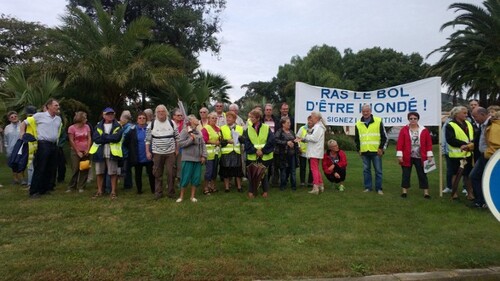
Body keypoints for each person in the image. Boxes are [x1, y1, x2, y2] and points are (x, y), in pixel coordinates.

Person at [20, 99, 63, 198]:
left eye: (58, 105)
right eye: (56, 105)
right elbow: (24, 123)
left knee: (50, 168)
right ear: (49, 106)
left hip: (53, 145)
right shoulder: (39, 116)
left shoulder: (58, 119)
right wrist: (22, 134)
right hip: (43, 144)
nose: (58, 107)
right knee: (40, 167)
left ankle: (45, 188)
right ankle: (34, 191)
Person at [396, 112, 433, 198]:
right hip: (407, 156)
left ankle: (426, 192)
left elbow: (429, 143)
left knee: (423, 174)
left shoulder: (424, 130)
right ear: (408, 119)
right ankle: (404, 191)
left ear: (417, 119)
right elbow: (400, 143)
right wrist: (399, 155)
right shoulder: (404, 130)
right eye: (411, 118)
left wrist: (429, 155)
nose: (413, 120)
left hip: (421, 156)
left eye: (415, 118)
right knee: (406, 174)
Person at [146, 105, 179, 200]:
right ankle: (158, 192)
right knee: (157, 173)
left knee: (171, 173)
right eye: (159, 111)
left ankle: (171, 192)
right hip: (157, 153)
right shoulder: (151, 124)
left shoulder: (172, 123)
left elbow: (177, 138)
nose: (161, 113)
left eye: (163, 111)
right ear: (156, 113)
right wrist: (147, 152)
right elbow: (147, 140)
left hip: (170, 153)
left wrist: (176, 149)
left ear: (166, 112)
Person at [89, 107, 123, 199]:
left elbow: (117, 138)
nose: (110, 115)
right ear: (103, 115)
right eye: (108, 114)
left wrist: (104, 137)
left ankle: (113, 191)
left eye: (112, 114)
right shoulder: (98, 126)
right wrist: (108, 137)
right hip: (99, 152)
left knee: (113, 172)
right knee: (99, 172)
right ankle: (100, 191)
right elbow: (96, 139)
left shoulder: (117, 126)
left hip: (112, 152)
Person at [355, 104, 388, 195]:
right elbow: (357, 139)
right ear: (361, 112)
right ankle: (368, 187)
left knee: (378, 171)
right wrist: (358, 149)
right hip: (364, 151)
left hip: (376, 151)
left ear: (370, 111)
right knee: (366, 170)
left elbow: (384, 137)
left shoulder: (378, 121)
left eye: (367, 111)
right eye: (363, 111)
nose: (365, 113)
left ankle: (379, 189)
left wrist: (381, 148)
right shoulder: (358, 123)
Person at [244, 108, 275, 198]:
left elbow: (271, 141)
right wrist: (255, 150)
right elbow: (247, 142)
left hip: (265, 155)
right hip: (253, 155)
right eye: (250, 117)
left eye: (253, 117)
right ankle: (252, 191)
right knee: (252, 173)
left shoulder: (266, 128)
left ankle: (265, 191)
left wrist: (263, 151)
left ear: (258, 118)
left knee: (262, 173)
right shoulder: (249, 129)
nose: (251, 119)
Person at [445, 106, 474, 200]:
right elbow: (450, 139)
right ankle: (454, 193)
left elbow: (474, 135)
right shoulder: (450, 125)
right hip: (455, 155)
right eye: (464, 113)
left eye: (467, 113)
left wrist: (471, 144)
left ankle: (470, 193)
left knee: (468, 175)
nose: (466, 115)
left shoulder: (469, 124)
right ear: (457, 114)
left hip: (468, 154)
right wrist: (463, 144)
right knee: (455, 174)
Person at [177, 115, 207, 203]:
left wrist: (204, 156)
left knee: (196, 178)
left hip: (198, 159)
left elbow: (203, 145)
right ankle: (181, 196)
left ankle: (192, 196)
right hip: (188, 158)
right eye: (195, 118)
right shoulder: (185, 131)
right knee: (185, 178)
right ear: (190, 121)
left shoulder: (199, 132)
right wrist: (191, 139)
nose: (197, 119)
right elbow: (180, 144)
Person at [299, 111, 326, 194]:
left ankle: (316, 186)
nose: (311, 118)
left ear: (316, 118)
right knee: (316, 168)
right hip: (316, 151)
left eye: (312, 117)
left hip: (315, 151)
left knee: (314, 168)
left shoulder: (318, 127)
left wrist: (305, 136)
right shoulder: (318, 127)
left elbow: (314, 138)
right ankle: (320, 185)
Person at [469, 107, 491, 208]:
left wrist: (488, 154)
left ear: (482, 114)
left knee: (484, 178)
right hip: (484, 156)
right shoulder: (483, 125)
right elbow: (480, 141)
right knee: (475, 176)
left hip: (490, 157)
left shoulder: (492, 125)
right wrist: (470, 146)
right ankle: (481, 201)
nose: (474, 119)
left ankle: (484, 201)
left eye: (475, 116)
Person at [129, 112, 155, 194]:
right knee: (138, 174)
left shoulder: (150, 129)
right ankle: (139, 190)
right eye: (140, 118)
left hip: (149, 155)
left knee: (151, 174)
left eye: (144, 118)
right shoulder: (132, 130)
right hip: (138, 155)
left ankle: (153, 190)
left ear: (146, 120)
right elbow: (127, 141)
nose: (142, 119)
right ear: (137, 120)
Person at [66, 111, 91, 193]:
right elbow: (71, 140)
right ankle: (72, 186)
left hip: (85, 150)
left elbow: (89, 138)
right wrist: (77, 152)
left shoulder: (87, 127)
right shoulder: (71, 128)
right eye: (85, 117)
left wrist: (88, 149)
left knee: (84, 168)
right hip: (75, 151)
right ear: (81, 119)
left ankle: (81, 186)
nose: (86, 119)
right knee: (75, 168)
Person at [219, 111, 244, 192]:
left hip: (236, 152)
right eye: (227, 117)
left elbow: (244, 140)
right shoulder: (222, 128)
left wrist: (240, 138)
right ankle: (227, 187)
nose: (227, 119)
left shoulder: (240, 128)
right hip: (226, 153)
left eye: (229, 117)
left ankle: (239, 187)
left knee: (238, 170)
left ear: (234, 119)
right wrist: (227, 141)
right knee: (226, 170)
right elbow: (220, 141)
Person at [274, 116, 299, 191]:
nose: (289, 124)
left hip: (292, 154)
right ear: (283, 124)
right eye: (288, 123)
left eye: (290, 123)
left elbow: (294, 140)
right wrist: (286, 143)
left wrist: (295, 143)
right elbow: (276, 140)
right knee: (283, 170)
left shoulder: (291, 132)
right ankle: (283, 185)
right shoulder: (279, 131)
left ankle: (294, 186)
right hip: (283, 154)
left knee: (293, 170)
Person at [201, 112, 221, 195]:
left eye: (216, 118)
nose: (214, 119)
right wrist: (214, 142)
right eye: (212, 118)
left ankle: (213, 186)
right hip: (209, 154)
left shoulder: (218, 128)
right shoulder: (205, 128)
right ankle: (205, 187)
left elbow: (220, 138)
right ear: (208, 119)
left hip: (217, 153)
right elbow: (204, 140)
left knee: (214, 171)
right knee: (208, 171)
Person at [4, 111, 25, 185]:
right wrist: (7, 148)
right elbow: (6, 139)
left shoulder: (23, 125)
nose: (14, 118)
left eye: (15, 116)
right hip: (11, 148)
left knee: (21, 163)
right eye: (11, 117)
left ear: (17, 116)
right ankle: (15, 178)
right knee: (14, 164)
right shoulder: (7, 128)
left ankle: (22, 178)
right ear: (9, 119)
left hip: (21, 147)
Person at [296, 116, 313, 187]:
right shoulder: (302, 128)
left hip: (312, 151)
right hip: (302, 151)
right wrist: (299, 147)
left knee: (311, 168)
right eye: (308, 120)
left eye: (311, 120)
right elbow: (297, 138)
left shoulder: (315, 129)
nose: (309, 122)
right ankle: (302, 182)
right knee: (302, 167)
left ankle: (310, 182)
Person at [119, 110, 134, 190]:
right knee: (126, 168)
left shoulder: (128, 128)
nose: (120, 120)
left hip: (127, 151)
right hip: (125, 150)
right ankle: (127, 184)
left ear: (126, 119)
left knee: (127, 168)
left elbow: (124, 139)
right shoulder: (125, 127)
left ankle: (128, 185)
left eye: (121, 119)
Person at [172, 109, 184, 181]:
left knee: (180, 165)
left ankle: (179, 179)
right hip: (171, 147)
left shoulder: (184, 124)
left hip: (181, 147)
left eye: (181, 115)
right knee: (171, 165)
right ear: (174, 116)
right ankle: (171, 180)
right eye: (178, 115)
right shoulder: (170, 123)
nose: (180, 117)